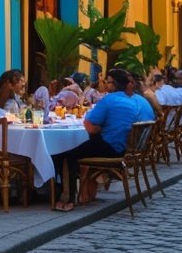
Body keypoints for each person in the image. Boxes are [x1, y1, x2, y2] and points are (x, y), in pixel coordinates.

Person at [53, 69, 144, 211]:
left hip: (109, 147)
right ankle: (82, 190)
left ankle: (67, 198)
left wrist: (99, 129)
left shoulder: (109, 99)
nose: (105, 85)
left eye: (107, 82)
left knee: (64, 154)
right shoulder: (132, 102)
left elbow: (88, 125)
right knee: (78, 149)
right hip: (122, 148)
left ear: (113, 84)